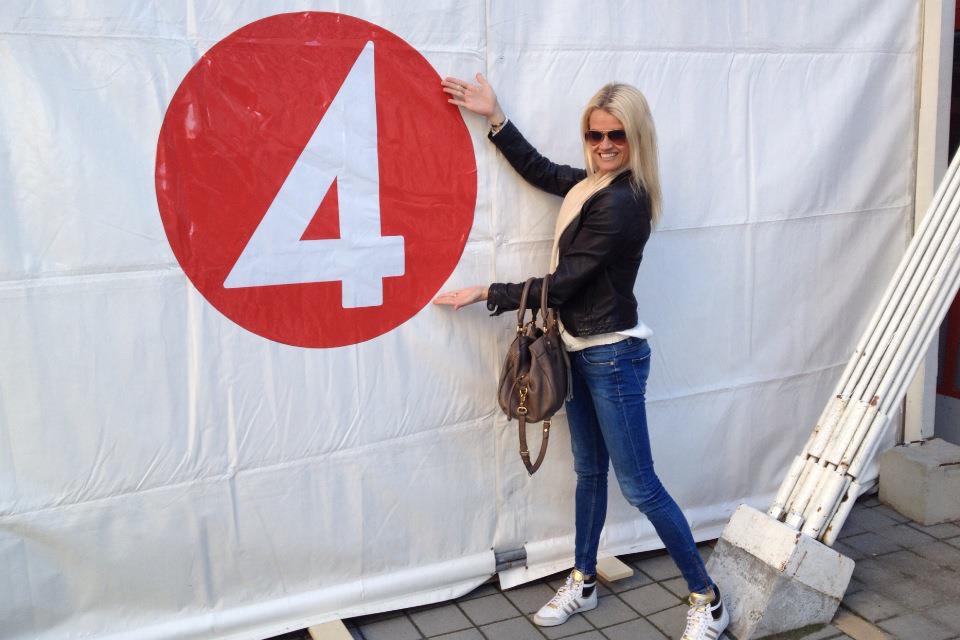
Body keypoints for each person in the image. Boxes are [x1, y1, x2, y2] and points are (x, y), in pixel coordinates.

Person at [433, 73, 729, 640]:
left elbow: (566, 283)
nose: (605, 145)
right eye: (595, 135)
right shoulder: (593, 187)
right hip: (577, 348)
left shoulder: (623, 202)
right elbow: (544, 172)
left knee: (639, 487)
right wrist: (496, 118)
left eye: (617, 134)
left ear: (637, 136)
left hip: (612, 357)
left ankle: (707, 598)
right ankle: (584, 580)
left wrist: (487, 292)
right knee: (589, 472)